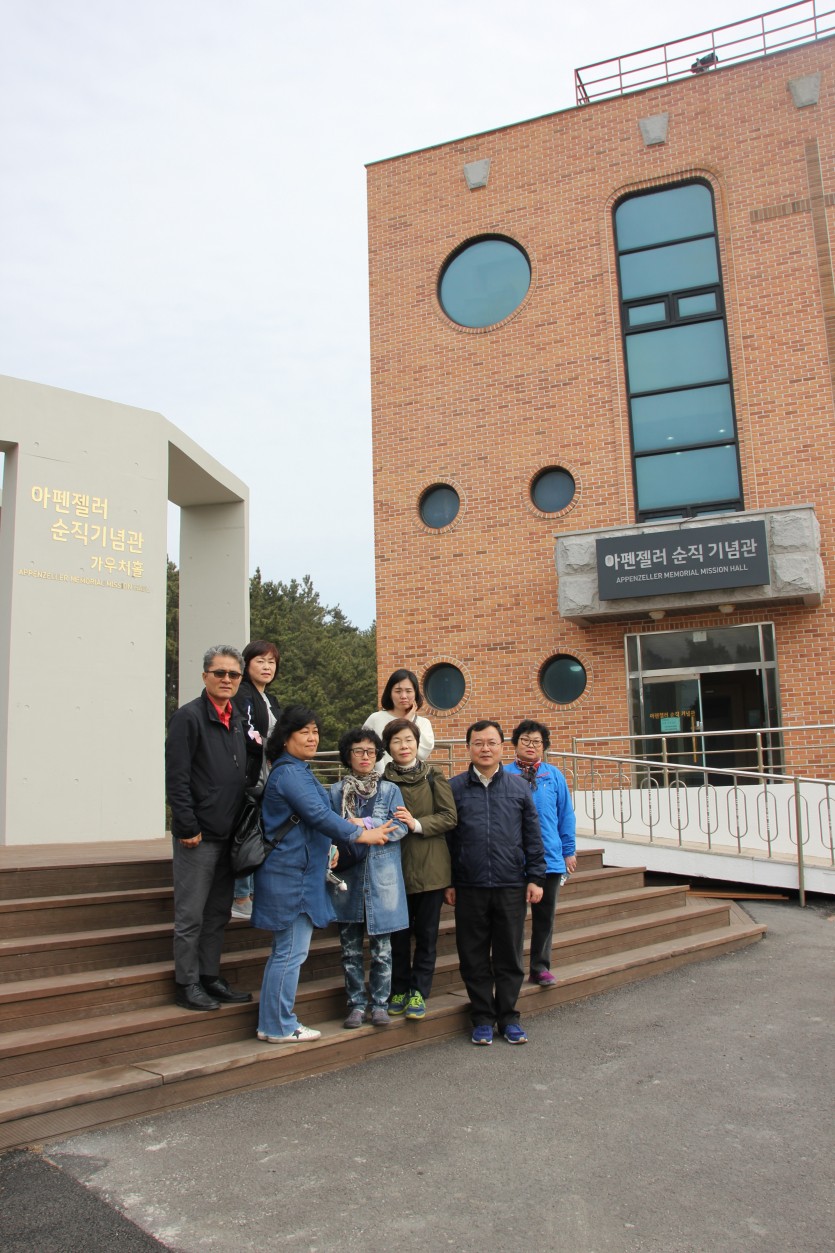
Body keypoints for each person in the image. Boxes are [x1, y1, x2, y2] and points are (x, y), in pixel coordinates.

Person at [251, 706, 394, 1043]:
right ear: (285, 739)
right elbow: (318, 814)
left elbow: (316, 818)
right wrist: (362, 834)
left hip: (298, 871)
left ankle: (272, 1023)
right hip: (290, 875)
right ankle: (279, 1025)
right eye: (304, 732)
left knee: (288, 952)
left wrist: (336, 840)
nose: (312, 738)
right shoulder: (290, 773)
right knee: (290, 952)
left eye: (315, 731)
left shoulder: (297, 770)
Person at [446, 720, 546, 1046]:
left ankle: (509, 1017)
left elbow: (533, 836)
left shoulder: (519, 787)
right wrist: (450, 882)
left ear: (502, 746)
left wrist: (536, 877)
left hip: (511, 885)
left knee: (509, 956)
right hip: (469, 886)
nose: (485, 749)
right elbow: (448, 841)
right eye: (478, 743)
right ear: (468, 748)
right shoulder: (454, 788)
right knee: (472, 956)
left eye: (491, 742)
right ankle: (482, 1018)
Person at [165, 645, 253, 1012]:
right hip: (198, 836)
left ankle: (209, 975)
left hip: (229, 835)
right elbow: (177, 778)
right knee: (190, 915)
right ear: (205, 676)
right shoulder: (188, 718)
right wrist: (187, 825)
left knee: (218, 913)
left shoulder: (238, 719)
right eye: (220, 673)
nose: (227, 679)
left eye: (233, 674)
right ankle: (186, 983)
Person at [328, 728, 408, 1029]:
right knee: (349, 951)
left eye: (371, 751)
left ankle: (380, 1004)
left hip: (382, 878)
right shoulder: (335, 792)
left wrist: (363, 823)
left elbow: (400, 827)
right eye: (358, 751)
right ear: (347, 755)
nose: (365, 756)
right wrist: (369, 829)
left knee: (382, 951)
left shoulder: (389, 790)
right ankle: (356, 1005)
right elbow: (329, 830)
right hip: (347, 879)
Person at [382, 718, 457, 1020]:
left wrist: (416, 824)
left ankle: (419, 992)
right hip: (394, 870)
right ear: (388, 747)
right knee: (397, 937)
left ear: (417, 743)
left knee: (426, 936)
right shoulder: (382, 782)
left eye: (409, 740)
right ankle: (399, 989)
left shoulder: (433, 776)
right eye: (397, 741)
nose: (404, 746)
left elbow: (449, 817)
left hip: (431, 870)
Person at [506, 720, 577, 987]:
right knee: (512, 920)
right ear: (515, 744)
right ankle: (511, 968)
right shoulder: (504, 774)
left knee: (545, 917)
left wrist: (568, 851)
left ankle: (540, 966)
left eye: (537, 742)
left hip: (549, 858)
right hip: (513, 860)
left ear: (544, 746)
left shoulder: (553, 775)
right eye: (525, 740)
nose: (531, 746)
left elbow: (565, 815)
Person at [230, 640, 282, 919]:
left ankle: (252, 893)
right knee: (248, 829)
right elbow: (247, 730)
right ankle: (240, 896)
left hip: (268, 773)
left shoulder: (270, 699)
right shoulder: (243, 693)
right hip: (250, 775)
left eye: (271, 662)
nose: (266, 667)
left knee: (261, 830)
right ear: (247, 664)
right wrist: (271, 748)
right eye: (260, 661)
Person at [364, 668, 435, 770]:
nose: (403, 696)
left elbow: (422, 754)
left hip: (413, 778)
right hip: (380, 778)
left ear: (415, 694)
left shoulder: (423, 723)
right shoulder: (375, 719)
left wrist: (406, 722)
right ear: (390, 693)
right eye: (398, 691)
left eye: (408, 691)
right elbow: (363, 750)